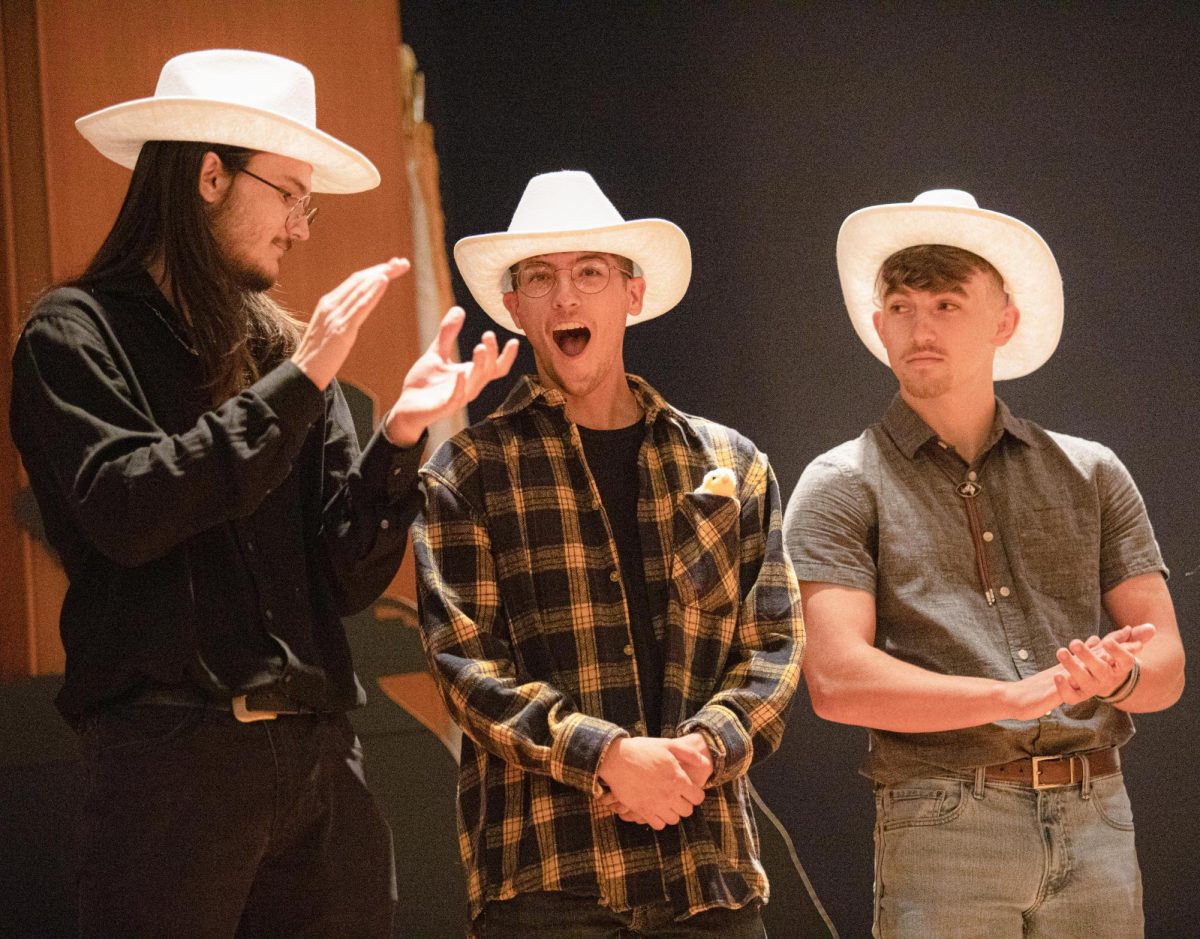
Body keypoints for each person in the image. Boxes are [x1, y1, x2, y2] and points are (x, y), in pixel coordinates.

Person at [8, 49, 516, 937]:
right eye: (290, 194)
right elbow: (132, 510)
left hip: (319, 757)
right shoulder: (74, 331)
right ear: (210, 174)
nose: (302, 227)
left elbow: (344, 577)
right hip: (169, 762)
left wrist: (399, 438)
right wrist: (307, 374)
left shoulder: (287, 350)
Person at [783, 189, 1185, 938]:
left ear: (1004, 321)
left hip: (1096, 811)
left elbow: (1165, 664)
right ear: (878, 326)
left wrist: (1117, 675)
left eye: (945, 303)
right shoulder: (841, 481)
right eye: (900, 307)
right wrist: (1017, 694)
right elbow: (837, 681)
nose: (919, 326)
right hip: (943, 818)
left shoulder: (1090, 469)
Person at [412, 170, 804, 937]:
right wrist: (609, 756)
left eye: (589, 272)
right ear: (517, 306)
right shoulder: (466, 473)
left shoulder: (729, 462)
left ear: (631, 293)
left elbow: (777, 645)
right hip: (549, 880)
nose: (565, 297)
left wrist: (699, 751)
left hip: (707, 876)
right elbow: (463, 668)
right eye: (540, 277)